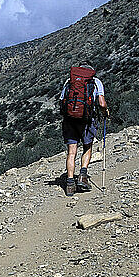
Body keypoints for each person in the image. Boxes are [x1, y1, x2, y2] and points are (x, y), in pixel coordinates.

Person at [58, 63, 108, 197]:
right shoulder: (96, 82)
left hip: (70, 120)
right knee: (87, 147)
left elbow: (62, 100)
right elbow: (102, 103)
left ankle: (69, 184)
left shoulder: (69, 81)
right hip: (86, 120)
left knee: (71, 152)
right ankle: (82, 176)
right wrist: (105, 112)